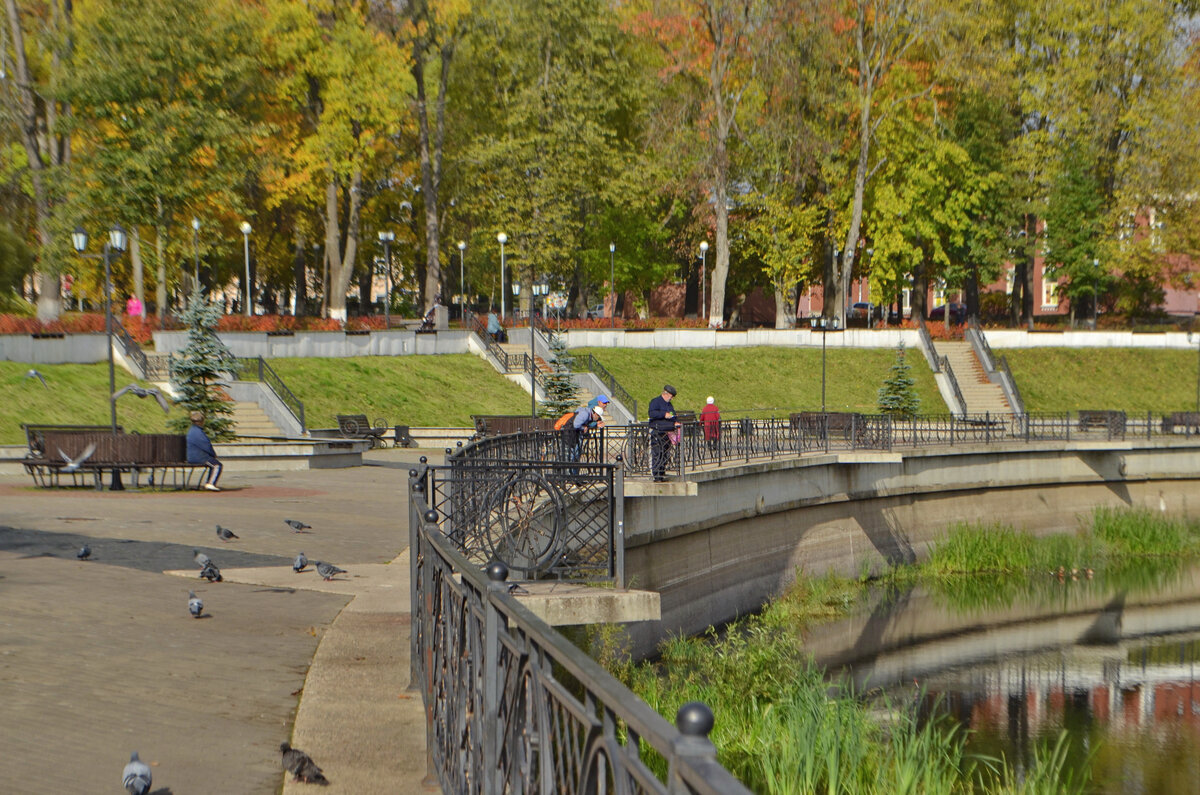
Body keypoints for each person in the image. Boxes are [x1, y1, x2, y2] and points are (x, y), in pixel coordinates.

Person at [648, 384, 680, 482]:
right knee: (658, 453)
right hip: (658, 432)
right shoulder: (655, 402)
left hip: (668, 433)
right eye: (671, 396)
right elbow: (652, 413)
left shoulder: (669, 404)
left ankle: (662, 472)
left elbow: (672, 414)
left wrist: (676, 421)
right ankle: (657, 475)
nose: (671, 399)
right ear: (666, 394)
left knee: (666, 453)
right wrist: (663, 414)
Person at [562, 403, 605, 474]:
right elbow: (576, 425)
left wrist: (596, 424)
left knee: (575, 455)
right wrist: (583, 428)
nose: (598, 419)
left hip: (574, 434)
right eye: (599, 417)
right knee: (573, 455)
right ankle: (571, 475)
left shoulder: (589, 414)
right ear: (595, 414)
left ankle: (574, 475)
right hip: (570, 434)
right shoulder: (585, 414)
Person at [186, 410, 223, 492]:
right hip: (198, 457)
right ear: (200, 422)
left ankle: (209, 483)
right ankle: (210, 483)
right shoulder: (198, 432)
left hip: (192, 456)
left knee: (213, 464)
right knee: (217, 465)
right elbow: (206, 446)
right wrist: (213, 454)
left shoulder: (192, 430)